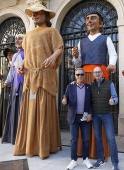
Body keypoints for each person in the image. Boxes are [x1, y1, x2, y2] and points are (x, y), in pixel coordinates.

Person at [14, 0, 63, 159]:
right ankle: (28, 145)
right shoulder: (27, 36)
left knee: (43, 111)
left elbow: (59, 48)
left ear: (46, 15)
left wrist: (53, 56)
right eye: (33, 13)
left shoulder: (52, 31)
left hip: (45, 76)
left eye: (38, 12)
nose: (34, 15)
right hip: (30, 78)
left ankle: (44, 147)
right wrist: (22, 65)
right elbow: (27, 56)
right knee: (29, 112)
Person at [72, 10, 118, 159]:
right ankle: (83, 149)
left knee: (99, 110)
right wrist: (76, 57)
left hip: (99, 76)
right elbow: (78, 64)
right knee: (84, 109)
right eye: (87, 18)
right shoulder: (81, 41)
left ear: (101, 23)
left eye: (93, 18)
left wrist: (111, 64)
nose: (89, 21)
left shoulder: (106, 39)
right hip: (84, 77)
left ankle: (99, 150)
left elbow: (113, 54)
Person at [62, 68, 93, 170]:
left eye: (81, 74)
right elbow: (65, 96)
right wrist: (64, 99)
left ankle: (85, 159)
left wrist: (90, 114)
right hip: (74, 117)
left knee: (85, 140)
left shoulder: (88, 87)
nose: (80, 76)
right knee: (74, 140)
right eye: (78, 74)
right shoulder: (70, 86)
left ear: (84, 76)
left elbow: (91, 103)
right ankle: (73, 160)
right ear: (75, 76)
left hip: (84, 117)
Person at [91, 66, 119, 170]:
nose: (97, 74)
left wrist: (113, 101)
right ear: (93, 74)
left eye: (99, 72)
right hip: (95, 116)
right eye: (95, 72)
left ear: (102, 73)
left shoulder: (109, 84)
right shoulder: (92, 85)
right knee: (98, 138)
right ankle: (100, 159)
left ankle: (115, 163)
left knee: (111, 139)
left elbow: (115, 97)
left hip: (107, 114)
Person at [1, 34, 25, 144]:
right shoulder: (15, 56)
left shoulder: (28, 52)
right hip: (15, 86)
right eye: (16, 39)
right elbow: (12, 71)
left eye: (20, 38)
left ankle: (23, 138)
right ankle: (13, 136)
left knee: (23, 109)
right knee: (14, 109)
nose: (17, 40)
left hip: (25, 85)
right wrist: (8, 81)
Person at [0, 48, 15, 137]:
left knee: (12, 108)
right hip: (4, 89)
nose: (9, 56)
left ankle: (11, 131)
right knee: (4, 108)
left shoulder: (17, 64)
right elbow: (2, 76)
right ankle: (3, 131)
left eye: (11, 54)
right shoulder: (4, 64)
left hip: (13, 89)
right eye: (8, 54)